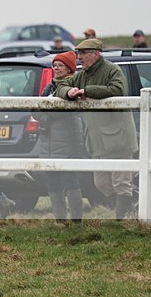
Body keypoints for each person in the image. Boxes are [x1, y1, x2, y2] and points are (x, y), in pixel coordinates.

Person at [54, 38, 138, 219]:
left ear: (96, 54)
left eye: (83, 54)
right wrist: (69, 93)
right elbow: (62, 86)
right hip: (96, 140)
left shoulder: (112, 70)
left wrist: (87, 91)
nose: (80, 58)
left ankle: (124, 220)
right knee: (102, 184)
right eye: (78, 54)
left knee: (121, 183)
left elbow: (118, 89)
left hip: (118, 138)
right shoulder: (81, 75)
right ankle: (129, 210)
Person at [36, 51, 83, 223]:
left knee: (69, 179)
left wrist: (45, 116)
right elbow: (36, 110)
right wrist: (43, 115)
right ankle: (60, 220)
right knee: (52, 182)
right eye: (54, 65)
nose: (56, 68)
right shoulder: (49, 87)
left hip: (67, 141)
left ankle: (76, 220)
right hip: (47, 142)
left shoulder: (73, 86)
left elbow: (65, 111)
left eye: (60, 65)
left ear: (69, 68)